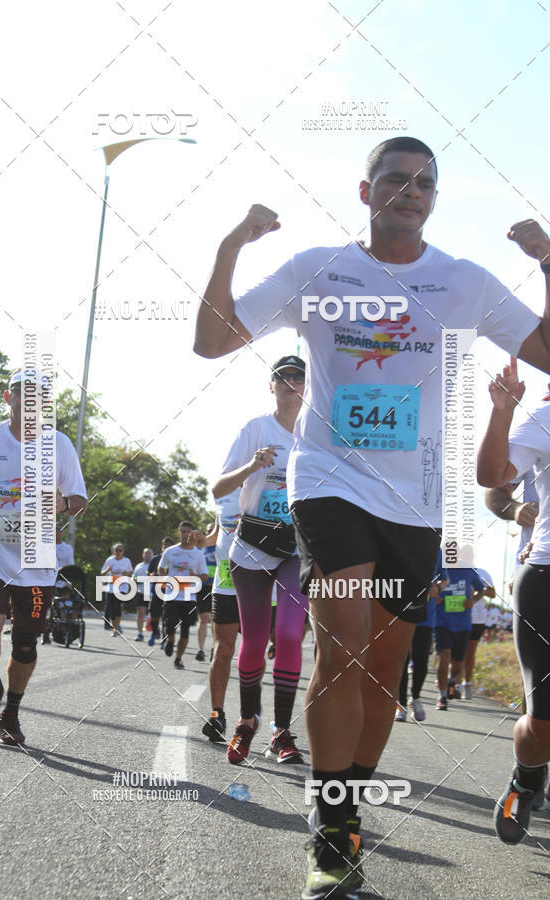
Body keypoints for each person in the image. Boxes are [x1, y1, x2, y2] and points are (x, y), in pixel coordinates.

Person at [194, 134, 550, 897]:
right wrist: (231, 244)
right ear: (366, 192)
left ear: (434, 197)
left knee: (385, 674)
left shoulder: (459, 281)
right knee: (344, 645)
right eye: (395, 179)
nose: (410, 191)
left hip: (414, 501)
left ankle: (348, 809)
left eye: (424, 182)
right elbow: (211, 340)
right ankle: (328, 830)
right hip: (329, 484)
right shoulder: (319, 268)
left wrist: (548, 263)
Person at [0, 369, 87, 745]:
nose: (28, 401)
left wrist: (62, 503)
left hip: (38, 561)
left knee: (25, 644)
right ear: (7, 397)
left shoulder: (59, 444)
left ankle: (11, 710)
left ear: (45, 403)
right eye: (20, 393)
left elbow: (80, 503)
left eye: (37, 395)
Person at [212, 356, 308, 767]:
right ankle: (247, 721)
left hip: (297, 550)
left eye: (298, 376)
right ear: (271, 385)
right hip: (251, 546)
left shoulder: (319, 433)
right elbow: (218, 488)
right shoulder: (256, 429)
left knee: (287, 636)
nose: (290, 382)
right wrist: (253, 464)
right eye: (282, 377)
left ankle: (281, 733)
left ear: (308, 385)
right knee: (252, 640)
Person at [478, 357, 550, 843]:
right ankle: (528, 776)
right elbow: (492, 480)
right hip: (545, 573)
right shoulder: (543, 418)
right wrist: (502, 412)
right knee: (543, 723)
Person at [198, 488, 242, 742]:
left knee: (255, 649)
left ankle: (250, 715)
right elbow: (216, 535)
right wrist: (202, 541)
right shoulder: (224, 493)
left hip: (260, 578)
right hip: (225, 581)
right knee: (222, 649)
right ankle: (217, 715)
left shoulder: (269, 483)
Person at [396, 554, 448, 722]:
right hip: (401, 612)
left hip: (426, 617)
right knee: (402, 660)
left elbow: (445, 580)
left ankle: (415, 697)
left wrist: (438, 589)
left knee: (420, 660)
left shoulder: (436, 550)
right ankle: (401, 705)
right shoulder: (399, 543)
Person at [158, 522, 208, 669]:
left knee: (185, 630)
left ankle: (178, 658)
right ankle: (170, 640)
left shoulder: (198, 554)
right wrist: (164, 578)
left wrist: (196, 576)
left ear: (193, 534)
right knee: (169, 625)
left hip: (189, 598)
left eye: (189, 532)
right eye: (183, 531)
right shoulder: (170, 551)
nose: (186, 534)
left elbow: (205, 576)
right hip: (172, 595)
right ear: (178, 533)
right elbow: (161, 567)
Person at [434, 561, 484, 709]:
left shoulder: (469, 570)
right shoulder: (439, 569)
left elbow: (481, 590)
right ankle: (442, 696)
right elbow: (427, 587)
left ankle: (451, 680)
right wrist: (433, 597)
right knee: (443, 655)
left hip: (462, 624)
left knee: (457, 664)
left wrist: (472, 601)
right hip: (441, 622)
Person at [463, 567, 495, 698]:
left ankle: (467, 684)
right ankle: (454, 683)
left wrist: (476, 590)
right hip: (457, 616)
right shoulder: (451, 571)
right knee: (455, 652)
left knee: (470, 653)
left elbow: (492, 594)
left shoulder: (482, 573)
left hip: (477, 619)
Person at [43, 523, 75, 644]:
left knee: (66, 603)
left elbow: (70, 567)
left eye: (60, 529)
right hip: (47, 581)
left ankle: (67, 628)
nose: (57, 532)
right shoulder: (46, 546)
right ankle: (44, 632)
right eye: (55, 529)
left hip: (62, 583)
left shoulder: (67, 548)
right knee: (47, 607)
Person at [146, 537, 174, 645]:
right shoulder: (155, 559)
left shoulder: (175, 560)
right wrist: (151, 574)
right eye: (164, 545)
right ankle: (155, 631)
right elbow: (148, 572)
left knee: (166, 617)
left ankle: (164, 638)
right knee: (154, 614)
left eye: (168, 545)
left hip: (170, 592)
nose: (166, 547)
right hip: (156, 591)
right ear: (162, 546)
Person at [101, 543, 133, 636]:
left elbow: (130, 571)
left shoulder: (127, 560)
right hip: (111, 587)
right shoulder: (110, 560)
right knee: (112, 608)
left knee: (118, 606)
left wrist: (126, 573)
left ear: (123, 551)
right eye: (116, 550)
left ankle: (117, 626)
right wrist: (108, 569)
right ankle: (115, 628)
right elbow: (102, 573)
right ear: (113, 551)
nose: (118, 552)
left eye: (120, 550)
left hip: (122, 587)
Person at [195, 538, 216, 661]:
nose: (209, 533)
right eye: (207, 531)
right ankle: (201, 650)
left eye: (212, 531)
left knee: (215, 620)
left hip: (217, 587)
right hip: (202, 587)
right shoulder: (199, 548)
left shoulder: (221, 546)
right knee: (203, 618)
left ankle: (215, 647)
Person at [132, 548, 154, 641]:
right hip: (141, 591)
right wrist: (134, 579)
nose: (147, 555)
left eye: (149, 553)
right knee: (140, 612)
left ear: (152, 555)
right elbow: (133, 577)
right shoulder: (139, 566)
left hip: (153, 592)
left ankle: (155, 632)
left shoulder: (155, 565)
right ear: (142, 555)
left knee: (155, 615)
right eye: (145, 553)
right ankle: (140, 633)